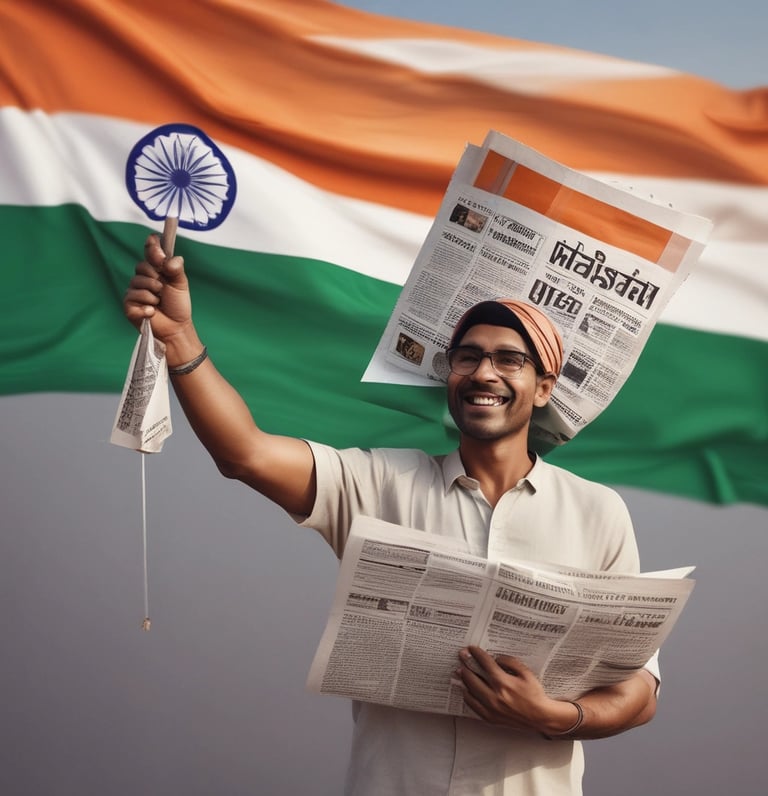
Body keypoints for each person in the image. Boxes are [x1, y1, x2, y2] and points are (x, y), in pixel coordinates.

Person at [124, 235, 659, 796]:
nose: (483, 373)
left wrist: (551, 716)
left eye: (510, 359)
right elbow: (246, 454)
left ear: (544, 387)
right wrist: (178, 336)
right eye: (468, 356)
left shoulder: (598, 511)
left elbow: (638, 691)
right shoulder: (381, 482)